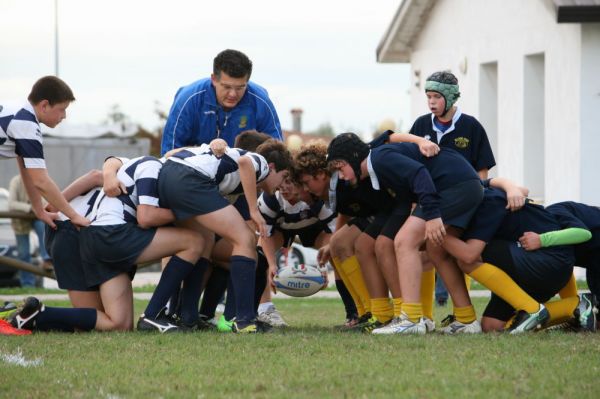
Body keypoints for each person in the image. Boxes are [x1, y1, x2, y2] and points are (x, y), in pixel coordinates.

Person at [326, 133, 484, 335]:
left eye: (340, 168)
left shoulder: (380, 159)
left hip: (454, 187)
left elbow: (419, 173)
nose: (341, 176)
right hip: (462, 185)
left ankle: (411, 319)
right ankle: (467, 319)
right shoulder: (378, 163)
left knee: (404, 241)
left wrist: (433, 215)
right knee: (437, 251)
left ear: (355, 157)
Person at [157, 139, 292, 333]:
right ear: (272, 167)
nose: (282, 185)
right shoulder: (261, 163)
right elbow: (245, 162)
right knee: (245, 240)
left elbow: (171, 155)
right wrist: (254, 210)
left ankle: (187, 317)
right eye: (284, 176)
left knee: (204, 241)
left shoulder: (229, 173)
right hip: (190, 179)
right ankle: (243, 320)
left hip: (169, 177)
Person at [0, 76, 89, 229]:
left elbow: (27, 171)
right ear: (44, 105)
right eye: (62, 109)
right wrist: (74, 216)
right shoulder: (26, 124)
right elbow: (41, 182)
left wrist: (39, 210)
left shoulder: (19, 109)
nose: (64, 116)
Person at [161, 49, 282, 155]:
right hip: (195, 171)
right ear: (213, 79)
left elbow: (277, 152)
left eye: (240, 87)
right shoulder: (188, 99)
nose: (233, 94)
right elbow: (170, 151)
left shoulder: (261, 101)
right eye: (227, 87)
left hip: (244, 170)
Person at [256, 174, 336, 327]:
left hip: (313, 227)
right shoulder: (270, 199)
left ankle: (354, 311)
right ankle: (264, 309)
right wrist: (272, 265)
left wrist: (323, 265)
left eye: (289, 182)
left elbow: (333, 233)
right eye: (282, 182)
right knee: (259, 254)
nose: (284, 187)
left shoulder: (315, 196)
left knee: (339, 250)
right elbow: (265, 235)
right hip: (282, 228)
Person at [407, 70, 495, 179]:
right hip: (426, 194)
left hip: (462, 193)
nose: (431, 101)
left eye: (437, 96)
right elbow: (408, 161)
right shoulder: (421, 124)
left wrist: (479, 193)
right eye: (429, 96)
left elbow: (482, 169)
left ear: (451, 97)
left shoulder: (472, 126)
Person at [8, 175, 53, 287]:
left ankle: (47, 259)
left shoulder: (36, 180)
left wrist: (37, 208)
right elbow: (11, 204)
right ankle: (27, 284)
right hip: (20, 221)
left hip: (36, 217)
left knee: (42, 226)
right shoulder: (16, 181)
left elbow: (44, 202)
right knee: (24, 254)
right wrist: (30, 208)